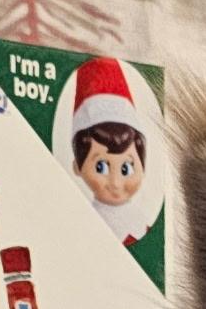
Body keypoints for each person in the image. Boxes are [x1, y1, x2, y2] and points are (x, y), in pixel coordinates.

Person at [68, 56, 160, 247]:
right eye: (101, 167)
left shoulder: (143, 228)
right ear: (77, 166)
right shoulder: (84, 226)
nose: (116, 183)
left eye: (126, 168)